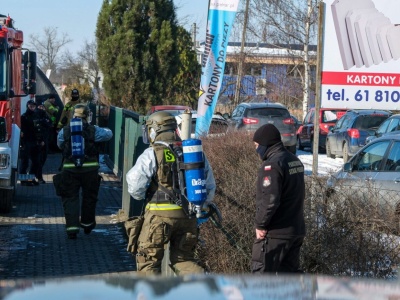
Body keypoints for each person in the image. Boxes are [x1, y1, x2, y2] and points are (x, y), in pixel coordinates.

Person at [126, 111, 216, 275]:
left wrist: (142, 196)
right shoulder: (193, 153)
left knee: (148, 262)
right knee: (184, 260)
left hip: (158, 219)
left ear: (154, 130)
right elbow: (209, 185)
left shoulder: (152, 153)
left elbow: (134, 185)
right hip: (188, 217)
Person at [251, 124, 306, 274]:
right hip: (295, 230)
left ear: (265, 144)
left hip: (276, 233)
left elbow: (270, 200)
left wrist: (260, 225)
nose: (256, 150)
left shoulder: (271, 166)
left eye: (257, 145)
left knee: (261, 278)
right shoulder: (294, 160)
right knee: (289, 280)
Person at [55, 104, 113, 239]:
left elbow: (59, 144)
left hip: (69, 169)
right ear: (87, 116)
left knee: (70, 198)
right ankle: (87, 225)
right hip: (90, 169)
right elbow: (109, 134)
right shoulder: (94, 130)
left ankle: (72, 229)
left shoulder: (65, 130)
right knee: (89, 198)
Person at [19, 100, 41, 186]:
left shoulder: (36, 116)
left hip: (35, 142)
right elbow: (21, 131)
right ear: (27, 106)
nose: (32, 107)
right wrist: (22, 143)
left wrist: (40, 140)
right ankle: (23, 181)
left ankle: (31, 179)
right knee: (25, 162)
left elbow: (39, 129)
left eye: (33, 106)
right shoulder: (24, 117)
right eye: (30, 106)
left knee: (36, 162)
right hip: (26, 142)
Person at [34, 100, 52, 184]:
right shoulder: (36, 115)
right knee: (39, 160)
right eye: (40, 107)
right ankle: (38, 176)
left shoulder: (45, 115)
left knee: (43, 158)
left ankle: (37, 175)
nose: (42, 108)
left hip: (45, 139)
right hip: (39, 141)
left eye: (42, 107)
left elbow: (49, 123)